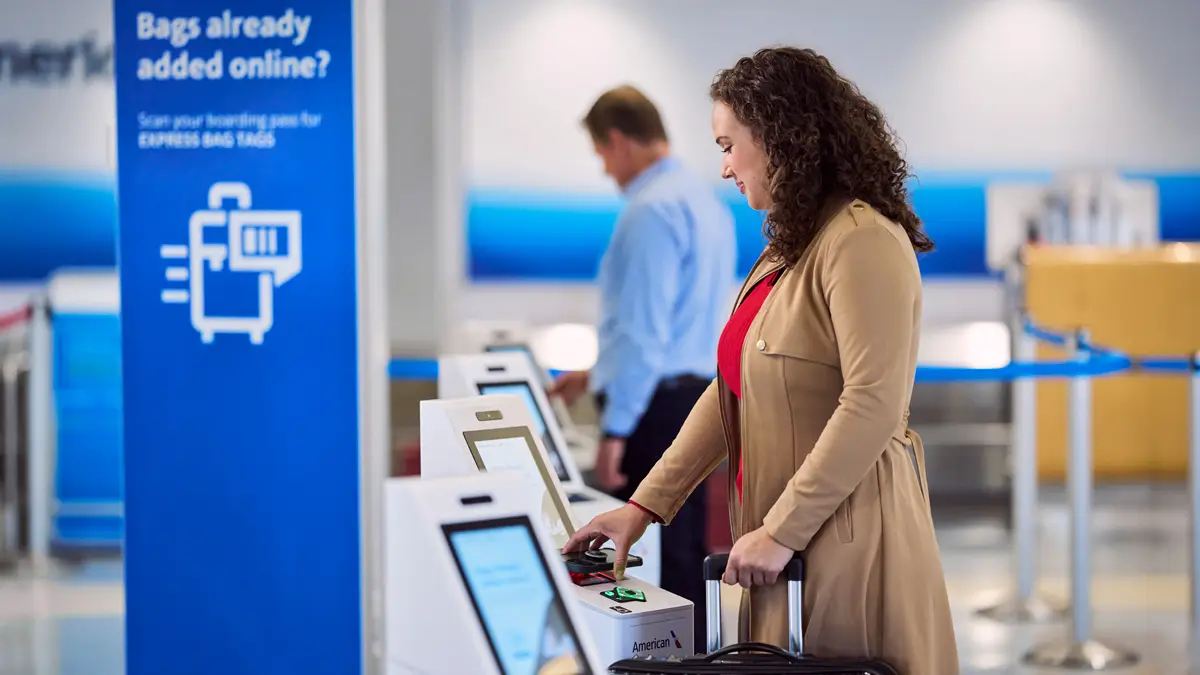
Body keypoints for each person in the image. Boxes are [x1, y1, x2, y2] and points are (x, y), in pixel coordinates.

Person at [562, 49, 959, 673]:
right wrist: (643, 508)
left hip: (846, 544)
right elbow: (730, 391)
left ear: (779, 138)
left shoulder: (861, 240)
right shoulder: (791, 249)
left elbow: (872, 403)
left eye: (728, 145)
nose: (723, 168)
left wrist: (783, 530)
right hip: (785, 545)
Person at [549, 85, 736, 648]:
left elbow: (643, 331)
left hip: (653, 409)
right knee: (680, 549)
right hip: (694, 396)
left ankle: (669, 658)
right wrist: (595, 374)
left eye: (602, 155)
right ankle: (694, 653)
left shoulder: (650, 210)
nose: (607, 170)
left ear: (618, 140)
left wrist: (614, 430)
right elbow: (678, 325)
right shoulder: (705, 202)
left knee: (648, 556)